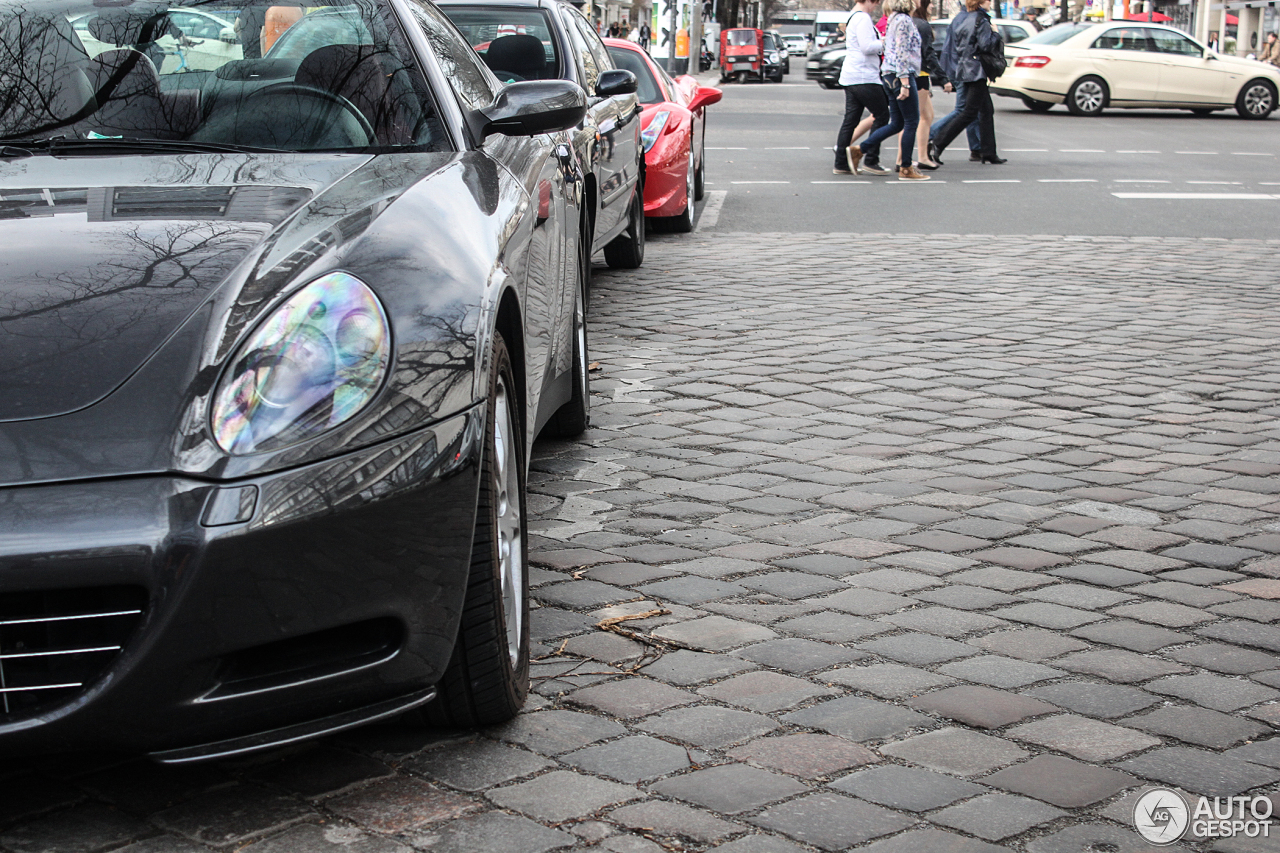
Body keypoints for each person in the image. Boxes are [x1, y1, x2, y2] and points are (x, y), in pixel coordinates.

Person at [849, 0, 930, 179]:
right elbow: (902, 52)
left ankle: (860, 150)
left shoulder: (894, 19)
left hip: (890, 74)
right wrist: (905, 83)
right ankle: (906, 168)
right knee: (911, 121)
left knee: (897, 123)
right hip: (900, 75)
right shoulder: (904, 21)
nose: (919, 2)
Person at [929, 0, 1005, 165]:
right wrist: (996, 34)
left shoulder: (964, 19)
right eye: (988, 1)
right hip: (977, 71)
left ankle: (988, 152)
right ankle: (937, 144)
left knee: (986, 110)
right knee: (968, 113)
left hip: (966, 68)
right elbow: (986, 45)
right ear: (980, 2)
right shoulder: (981, 20)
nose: (990, 3)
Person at [832, 0, 892, 176]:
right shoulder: (863, 18)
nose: (876, 6)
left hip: (851, 75)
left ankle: (841, 163)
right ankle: (871, 159)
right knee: (882, 115)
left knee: (850, 120)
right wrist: (885, 42)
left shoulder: (853, 16)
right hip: (864, 76)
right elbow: (867, 47)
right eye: (875, 3)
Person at [912, 0, 944, 169]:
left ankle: (922, 156)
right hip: (920, 74)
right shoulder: (922, 25)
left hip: (916, 74)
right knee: (911, 119)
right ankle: (903, 160)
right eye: (930, 3)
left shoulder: (911, 21)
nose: (932, 6)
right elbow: (928, 53)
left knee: (927, 116)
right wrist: (943, 77)